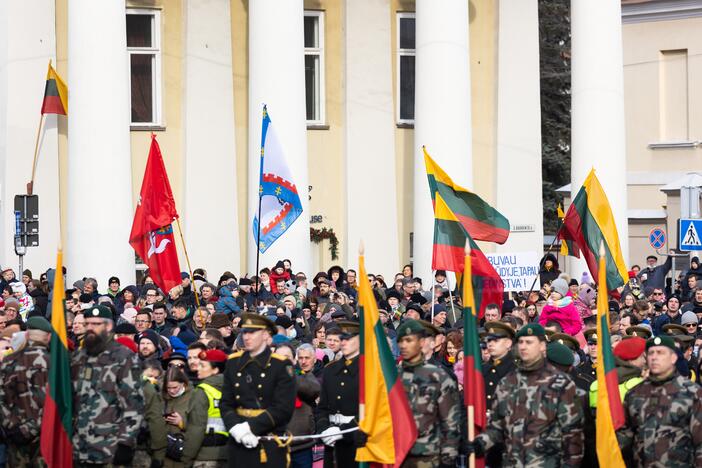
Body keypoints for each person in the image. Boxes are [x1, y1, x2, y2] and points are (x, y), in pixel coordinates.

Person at [467, 324, 584, 466]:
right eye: (521, 342)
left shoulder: (561, 384)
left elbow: (573, 436)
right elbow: (497, 427)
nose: (523, 347)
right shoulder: (507, 382)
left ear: (542, 346)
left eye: (529, 342)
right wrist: (480, 443)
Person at [72, 305, 144, 466]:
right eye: (87, 324)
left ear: (109, 326)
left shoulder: (124, 357)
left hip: (110, 449)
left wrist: (125, 443)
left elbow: (134, 404)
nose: (90, 328)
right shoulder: (78, 357)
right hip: (79, 449)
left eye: (96, 324)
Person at [220, 313, 296, 467]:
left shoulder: (281, 366)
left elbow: (283, 408)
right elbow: (226, 402)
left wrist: (250, 427)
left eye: (252, 332)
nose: (247, 337)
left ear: (266, 335)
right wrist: (235, 427)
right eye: (245, 332)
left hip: (268, 442)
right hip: (239, 440)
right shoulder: (233, 362)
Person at [618, 335, 702, 466]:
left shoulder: (692, 393)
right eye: (651, 353)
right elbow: (624, 438)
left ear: (673, 358)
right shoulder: (634, 393)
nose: (654, 357)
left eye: (660, 352)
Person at [395, 320, 460, 467]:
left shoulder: (438, 377)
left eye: (409, 340)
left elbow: (450, 422)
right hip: (396, 454)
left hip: (427, 455)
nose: (404, 345)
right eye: (401, 341)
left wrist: (448, 456)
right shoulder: (392, 377)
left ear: (422, 342)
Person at [0, 317, 51, 467]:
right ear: (48, 337)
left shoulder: (8, 361)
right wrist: (33, 428)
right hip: (45, 439)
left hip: (14, 436)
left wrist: (11, 425)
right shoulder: (54, 363)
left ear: (27, 335)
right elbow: (56, 402)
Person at [317, 321, 362, 468]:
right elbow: (322, 407)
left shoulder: (369, 371)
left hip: (356, 442)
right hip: (331, 439)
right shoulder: (330, 370)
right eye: (342, 338)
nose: (344, 342)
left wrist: (343, 431)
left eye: (348, 338)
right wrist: (324, 429)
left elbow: (370, 411)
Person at [183, 349, 229, 467]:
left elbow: (196, 429)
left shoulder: (202, 392)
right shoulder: (233, 390)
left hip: (205, 457)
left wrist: (186, 458)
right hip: (228, 455)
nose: (198, 368)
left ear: (215, 370)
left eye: (202, 365)